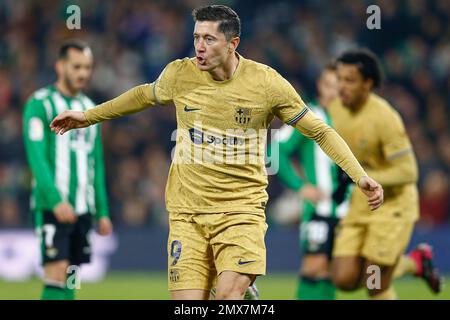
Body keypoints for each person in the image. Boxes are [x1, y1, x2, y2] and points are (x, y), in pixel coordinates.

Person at [49, 5, 383, 300]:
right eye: (196, 37)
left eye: (209, 39)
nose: (199, 46)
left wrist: (360, 176)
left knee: (226, 297)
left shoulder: (267, 84)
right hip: (187, 216)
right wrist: (88, 117)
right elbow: (142, 96)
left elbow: (320, 131)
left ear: (232, 43)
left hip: (241, 211)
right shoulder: (180, 74)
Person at [329, 48, 441, 299]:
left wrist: (368, 178)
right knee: (344, 278)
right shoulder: (335, 111)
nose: (341, 87)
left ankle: (406, 266)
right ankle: (416, 262)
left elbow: (408, 171)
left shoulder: (385, 118)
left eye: (349, 80)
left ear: (367, 84)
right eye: (339, 79)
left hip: (392, 206)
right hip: (361, 202)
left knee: (375, 282)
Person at [23, 40, 113, 300]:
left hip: (83, 208)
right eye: (76, 66)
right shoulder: (40, 104)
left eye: (87, 67)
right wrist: (55, 199)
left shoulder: (90, 110)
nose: (83, 73)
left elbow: (96, 164)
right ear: (60, 66)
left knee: (71, 275)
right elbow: (36, 158)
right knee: (56, 271)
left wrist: (102, 211)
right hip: (52, 206)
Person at [269, 62, 351, 299]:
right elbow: (275, 152)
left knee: (337, 271)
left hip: (348, 210)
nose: (334, 91)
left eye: (340, 86)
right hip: (320, 209)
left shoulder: (349, 121)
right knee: (314, 268)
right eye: (329, 85)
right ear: (320, 86)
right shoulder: (309, 116)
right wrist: (300, 186)